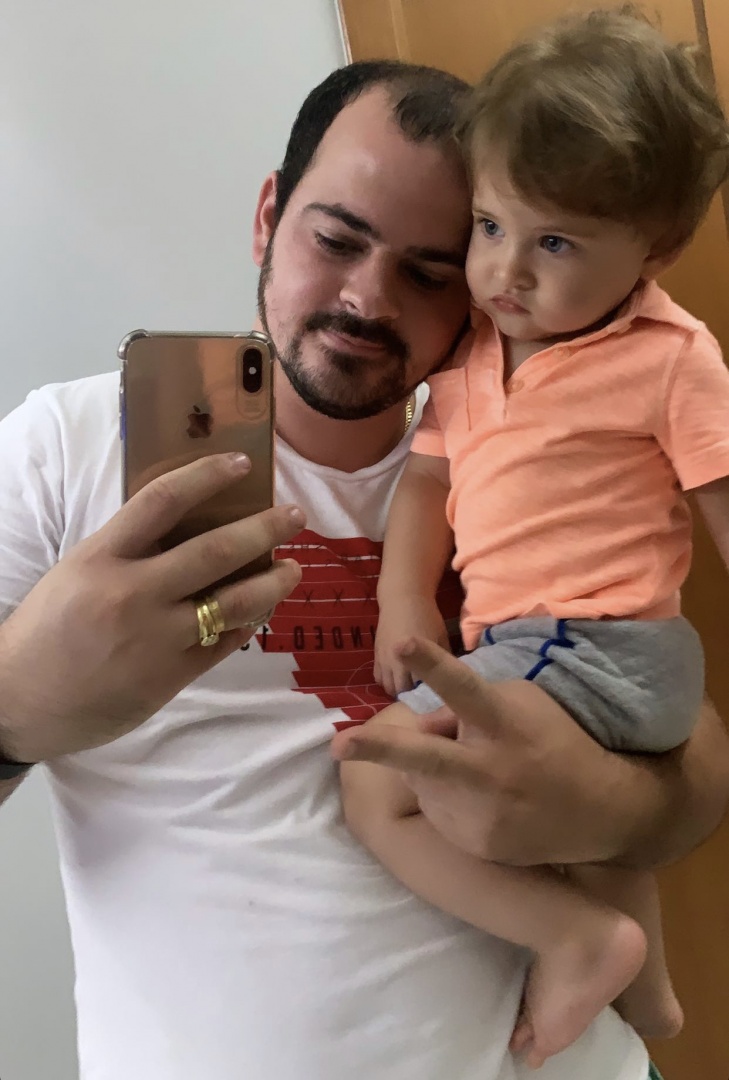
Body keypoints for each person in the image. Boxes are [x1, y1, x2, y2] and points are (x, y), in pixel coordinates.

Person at [0, 57, 727, 1080]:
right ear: (268, 217)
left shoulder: (523, 461)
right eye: (335, 239)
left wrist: (612, 805)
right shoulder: (65, 449)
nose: (365, 298)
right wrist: (17, 710)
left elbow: (693, 755)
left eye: (428, 271)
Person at [332, 9, 729, 1075]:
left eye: (554, 243)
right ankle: (647, 992)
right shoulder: (472, 354)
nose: (504, 271)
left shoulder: (669, 356)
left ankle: (573, 939)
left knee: (374, 785)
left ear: (655, 252)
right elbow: (427, 484)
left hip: (596, 643)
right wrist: (405, 602)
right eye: (490, 226)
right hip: (541, 646)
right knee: (585, 822)